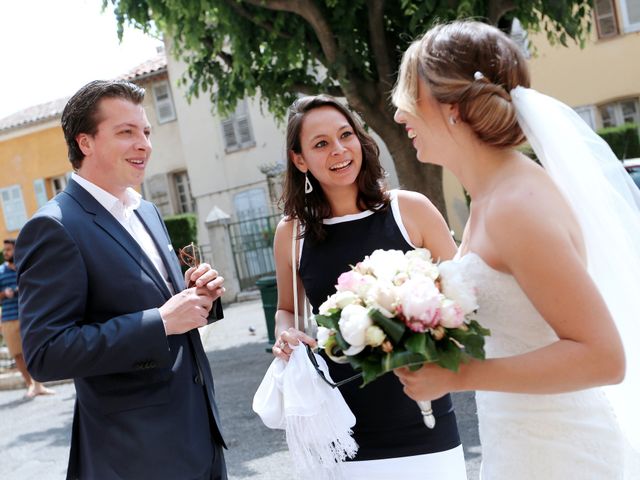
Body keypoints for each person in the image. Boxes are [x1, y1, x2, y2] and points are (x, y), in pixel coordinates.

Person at [392, 20, 640, 479]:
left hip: (561, 452)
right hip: (520, 440)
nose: (399, 115)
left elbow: (603, 357)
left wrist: (460, 375)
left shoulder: (516, 207)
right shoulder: (491, 195)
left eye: (410, 94)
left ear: (452, 107)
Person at [15, 80, 228, 480]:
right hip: (133, 456)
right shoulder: (54, 227)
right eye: (126, 132)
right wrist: (161, 321)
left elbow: (154, 302)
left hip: (200, 439)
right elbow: (46, 353)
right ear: (86, 142)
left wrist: (198, 295)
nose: (144, 144)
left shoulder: (146, 211)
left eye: (145, 131)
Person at [271, 94, 467, 478]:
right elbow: (287, 308)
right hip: (341, 429)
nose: (339, 150)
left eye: (346, 135)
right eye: (321, 144)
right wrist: (284, 333)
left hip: (423, 418)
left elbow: (464, 296)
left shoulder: (411, 209)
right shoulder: (292, 233)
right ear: (299, 160)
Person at [0, 238, 54, 398]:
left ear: (17, 250)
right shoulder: (0, 272)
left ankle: (39, 385)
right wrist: (4, 294)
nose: (5, 252)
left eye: (9, 249)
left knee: (33, 351)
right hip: (9, 318)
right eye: (5, 250)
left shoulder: (27, 267)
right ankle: (30, 385)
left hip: (30, 316)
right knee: (17, 354)